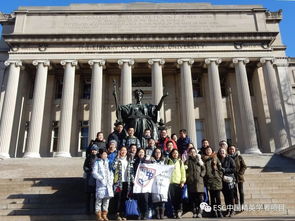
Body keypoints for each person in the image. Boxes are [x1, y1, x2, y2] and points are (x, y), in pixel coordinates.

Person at [112, 146, 135, 220]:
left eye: (124, 150)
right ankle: (117, 214)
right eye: (122, 150)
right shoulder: (117, 159)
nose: (123, 151)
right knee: (118, 197)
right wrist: (117, 158)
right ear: (119, 151)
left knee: (125, 197)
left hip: (126, 182)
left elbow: (131, 171)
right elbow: (113, 167)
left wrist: (133, 179)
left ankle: (124, 214)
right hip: (118, 182)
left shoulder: (129, 160)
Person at [93, 150, 114, 221]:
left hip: (108, 184)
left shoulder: (109, 162)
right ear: (101, 155)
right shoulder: (97, 162)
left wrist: (111, 180)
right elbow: (94, 172)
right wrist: (101, 178)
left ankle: (105, 214)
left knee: (106, 200)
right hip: (101, 184)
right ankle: (99, 215)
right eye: (103, 154)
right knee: (99, 200)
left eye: (106, 154)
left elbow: (111, 172)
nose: (105, 155)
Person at [184, 147, 206, 218]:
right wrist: (187, 177)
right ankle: (194, 212)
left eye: (194, 151)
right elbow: (184, 170)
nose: (193, 153)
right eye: (191, 152)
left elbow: (204, 169)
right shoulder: (187, 161)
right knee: (192, 198)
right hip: (191, 182)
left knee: (200, 198)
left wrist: (201, 175)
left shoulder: (199, 160)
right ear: (189, 153)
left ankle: (200, 211)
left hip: (199, 181)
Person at [202, 146, 223, 218]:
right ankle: (214, 212)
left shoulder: (215, 158)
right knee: (212, 198)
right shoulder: (204, 159)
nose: (208, 151)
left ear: (212, 151)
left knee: (218, 198)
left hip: (216, 180)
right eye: (207, 150)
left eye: (209, 150)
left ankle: (219, 211)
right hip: (209, 180)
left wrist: (220, 176)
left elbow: (220, 168)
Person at [167, 149, 186, 219]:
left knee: (179, 198)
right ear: (171, 154)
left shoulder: (180, 162)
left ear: (178, 154)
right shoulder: (168, 161)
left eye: (176, 153)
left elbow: (183, 172)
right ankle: (174, 212)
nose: (175, 154)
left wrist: (182, 181)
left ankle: (179, 211)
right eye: (174, 153)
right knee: (173, 199)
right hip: (170, 183)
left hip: (178, 183)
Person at [218, 147, 236, 217]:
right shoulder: (219, 160)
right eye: (220, 151)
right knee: (226, 196)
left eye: (223, 151)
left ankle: (232, 210)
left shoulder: (229, 159)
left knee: (231, 196)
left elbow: (234, 169)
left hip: (229, 180)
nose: (221, 152)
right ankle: (228, 210)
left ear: (225, 152)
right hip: (222, 180)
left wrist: (225, 170)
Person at [228, 145, 247, 211]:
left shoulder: (239, 157)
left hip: (239, 177)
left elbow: (244, 166)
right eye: (230, 149)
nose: (231, 150)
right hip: (232, 177)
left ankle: (242, 204)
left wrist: (240, 173)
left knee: (241, 191)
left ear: (235, 150)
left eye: (233, 149)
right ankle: (236, 204)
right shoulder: (228, 157)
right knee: (234, 192)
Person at [133, 148, 150, 220]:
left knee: (145, 199)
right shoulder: (135, 161)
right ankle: (139, 213)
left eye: (142, 152)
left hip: (145, 183)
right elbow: (132, 171)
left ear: (144, 153)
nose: (141, 153)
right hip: (137, 183)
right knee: (138, 199)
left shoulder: (147, 162)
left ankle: (145, 214)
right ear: (137, 153)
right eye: (140, 152)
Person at [150, 148, 167, 219]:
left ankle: (162, 214)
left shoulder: (164, 161)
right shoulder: (151, 161)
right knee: (156, 197)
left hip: (162, 181)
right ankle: (157, 214)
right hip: (154, 181)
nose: (158, 154)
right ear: (154, 153)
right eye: (156, 152)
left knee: (162, 197)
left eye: (159, 152)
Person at [83, 145, 98, 214]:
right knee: (88, 195)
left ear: (97, 151)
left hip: (96, 178)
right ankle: (87, 210)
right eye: (92, 150)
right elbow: (85, 166)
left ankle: (95, 210)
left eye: (95, 150)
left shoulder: (98, 158)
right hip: (89, 177)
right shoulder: (88, 157)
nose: (93, 151)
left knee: (95, 196)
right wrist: (89, 170)